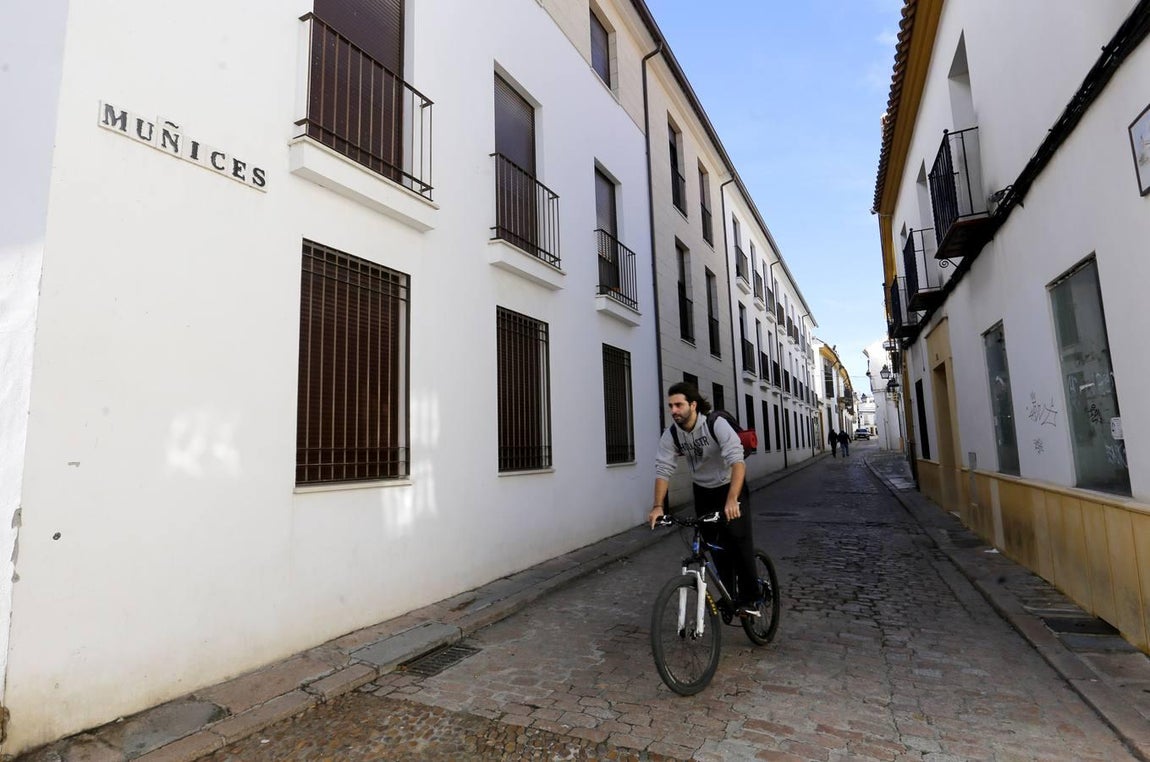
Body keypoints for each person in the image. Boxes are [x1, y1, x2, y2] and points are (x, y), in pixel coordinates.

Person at [649, 382, 761, 616]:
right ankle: (730, 596)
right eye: (671, 406)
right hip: (703, 491)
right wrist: (658, 506)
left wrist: (732, 499)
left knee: (739, 541)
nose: (674, 410)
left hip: (730, 487)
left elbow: (737, 460)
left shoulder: (714, 424)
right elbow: (663, 469)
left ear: (693, 405)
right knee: (715, 546)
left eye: (678, 405)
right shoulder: (672, 434)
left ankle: (752, 598)